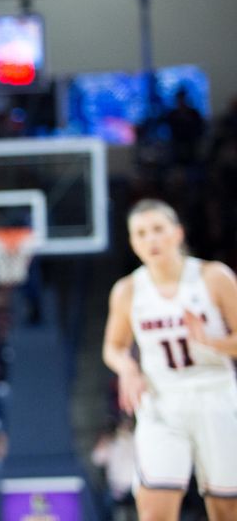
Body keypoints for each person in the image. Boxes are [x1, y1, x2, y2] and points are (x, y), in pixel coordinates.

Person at [102, 199, 237, 521]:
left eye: (158, 230)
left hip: (215, 395)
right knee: (154, 512)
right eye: (141, 233)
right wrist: (128, 368)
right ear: (133, 243)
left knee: (226, 509)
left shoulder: (213, 277)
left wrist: (212, 342)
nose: (151, 239)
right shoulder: (128, 290)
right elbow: (113, 347)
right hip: (162, 401)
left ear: (177, 233)